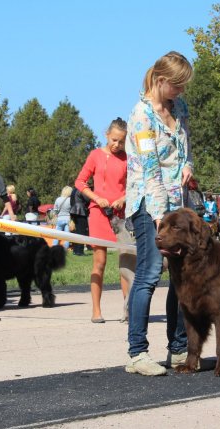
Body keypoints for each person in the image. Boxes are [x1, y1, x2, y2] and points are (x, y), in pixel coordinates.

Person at [124, 51, 192, 376]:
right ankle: (137, 353)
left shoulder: (180, 108)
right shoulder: (141, 115)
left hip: (179, 203)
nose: (181, 92)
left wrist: (188, 166)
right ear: (162, 81)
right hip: (149, 204)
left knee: (181, 276)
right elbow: (150, 170)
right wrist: (160, 216)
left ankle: (178, 348)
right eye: (177, 86)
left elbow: (185, 150)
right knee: (150, 273)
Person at [75, 117, 129, 323]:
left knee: (126, 264)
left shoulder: (128, 158)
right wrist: (97, 198)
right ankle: (96, 311)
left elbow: (135, 186)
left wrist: (123, 199)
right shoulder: (95, 155)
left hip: (121, 215)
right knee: (99, 262)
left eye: (121, 142)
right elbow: (80, 182)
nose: (117, 145)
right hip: (99, 213)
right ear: (107, 135)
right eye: (114, 140)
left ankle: (128, 310)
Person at [68, 187, 89, 256]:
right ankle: (79, 251)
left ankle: (75, 250)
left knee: (76, 232)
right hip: (80, 211)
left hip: (74, 210)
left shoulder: (74, 189)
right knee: (81, 232)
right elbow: (88, 199)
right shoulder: (82, 189)